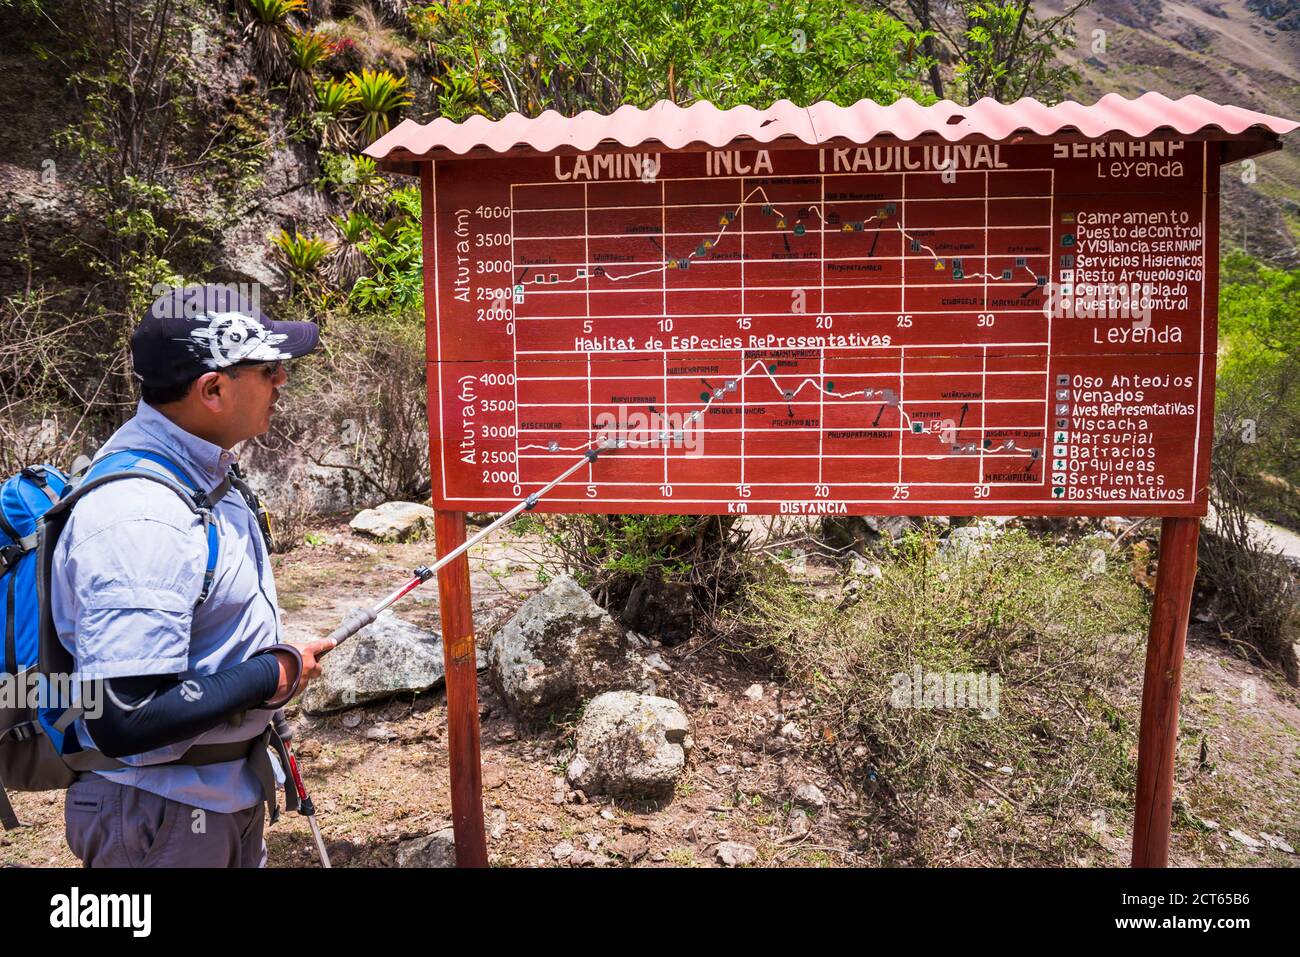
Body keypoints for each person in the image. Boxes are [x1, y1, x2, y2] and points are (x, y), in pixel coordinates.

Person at [50, 284, 334, 867]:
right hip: (163, 815)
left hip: (208, 798)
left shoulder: (200, 468)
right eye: (269, 368)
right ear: (212, 389)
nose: (282, 380)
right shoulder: (140, 513)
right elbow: (123, 717)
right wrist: (271, 672)